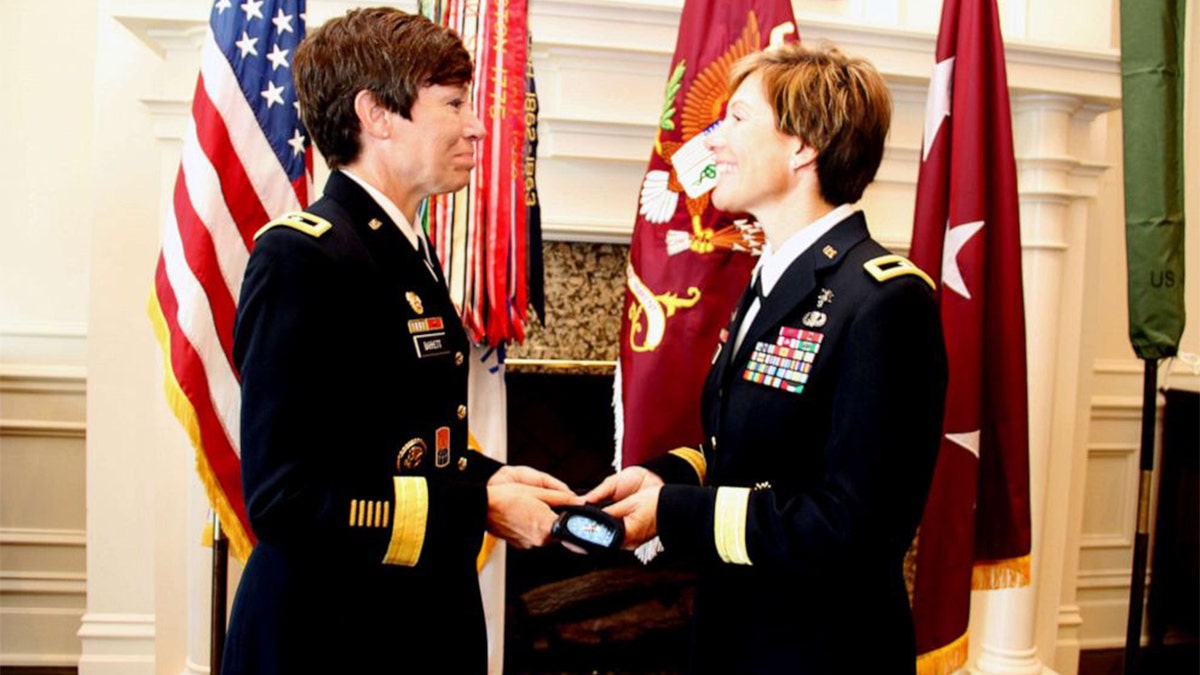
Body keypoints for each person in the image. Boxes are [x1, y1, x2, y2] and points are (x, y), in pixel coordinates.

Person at [222, 8, 579, 674]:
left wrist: (491, 475)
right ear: (376, 115)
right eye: (452, 103)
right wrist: (476, 503)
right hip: (334, 635)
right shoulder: (303, 260)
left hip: (413, 620)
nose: (477, 123)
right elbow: (284, 498)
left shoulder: (403, 250)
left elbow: (395, 438)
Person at [587, 42, 949, 674]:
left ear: (803, 146)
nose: (713, 141)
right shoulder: (771, 279)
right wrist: (668, 477)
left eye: (737, 119)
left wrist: (676, 512)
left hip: (819, 652)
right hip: (738, 635)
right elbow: (758, 451)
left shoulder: (885, 301)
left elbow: (851, 526)